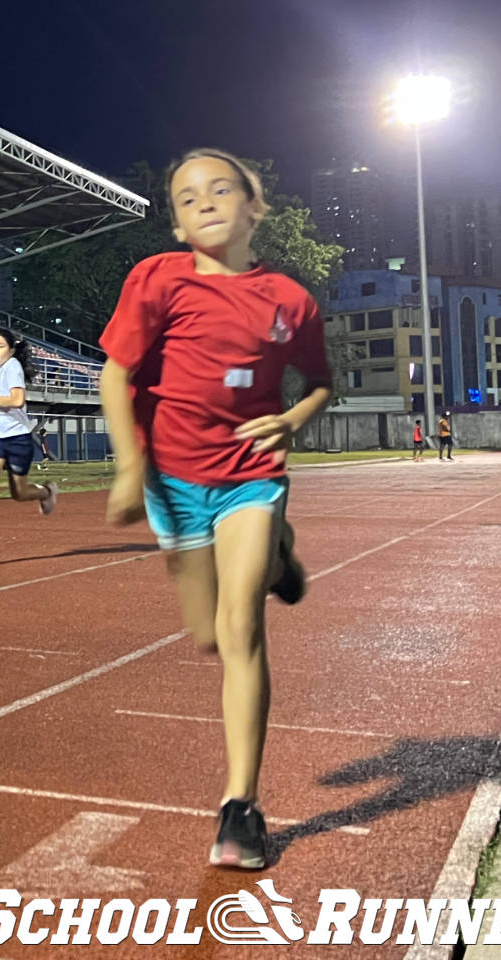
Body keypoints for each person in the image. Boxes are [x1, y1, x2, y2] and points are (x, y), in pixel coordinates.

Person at [98, 148, 332, 870]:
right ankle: (280, 557)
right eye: (187, 196)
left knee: (239, 630)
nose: (204, 201)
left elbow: (321, 383)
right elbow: (116, 373)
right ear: (175, 224)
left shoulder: (291, 301)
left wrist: (291, 422)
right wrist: (131, 468)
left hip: (250, 475)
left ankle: (242, 806)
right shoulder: (157, 280)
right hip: (171, 480)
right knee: (206, 634)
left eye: (220, 188)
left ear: (254, 205)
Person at [0, 328, 57, 558]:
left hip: (17, 436)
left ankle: (46, 492)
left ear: (11, 350)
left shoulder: (13, 367)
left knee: (18, 492)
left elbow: (17, 400)